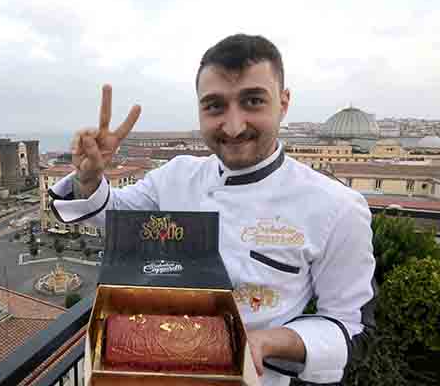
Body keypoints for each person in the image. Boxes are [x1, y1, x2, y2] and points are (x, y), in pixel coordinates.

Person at [49, 34, 375, 386]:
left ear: (283, 103)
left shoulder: (337, 207)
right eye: (215, 106)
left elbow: (351, 327)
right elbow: (114, 216)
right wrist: (90, 178)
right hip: (156, 367)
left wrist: (265, 341)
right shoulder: (177, 176)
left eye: (253, 101)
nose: (233, 126)